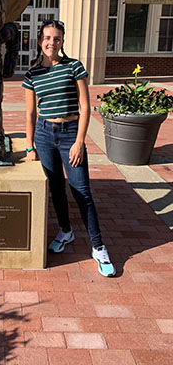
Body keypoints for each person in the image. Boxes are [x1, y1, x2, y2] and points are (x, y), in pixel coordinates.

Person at [23, 20, 115, 277]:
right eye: (48, 38)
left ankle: (98, 247)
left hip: (69, 135)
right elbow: (31, 113)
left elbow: (85, 107)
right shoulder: (32, 74)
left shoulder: (73, 66)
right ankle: (66, 231)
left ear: (62, 42)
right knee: (56, 189)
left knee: (82, 191)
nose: (52, 43)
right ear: (40, 40)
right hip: (43, 134)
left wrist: (79, 141)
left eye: (57, 38)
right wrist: (29, 146)